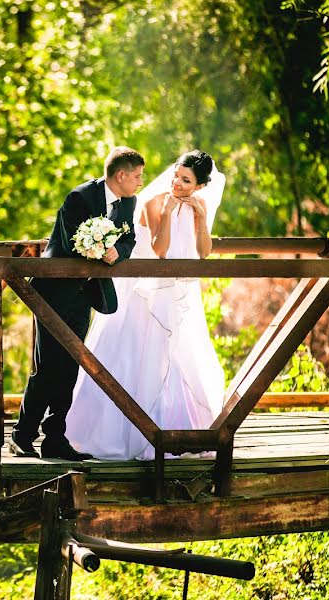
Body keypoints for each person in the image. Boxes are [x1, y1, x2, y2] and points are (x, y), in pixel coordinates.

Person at [65, 150, 226, 460]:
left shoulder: (200, 205)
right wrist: (166, 213)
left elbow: (204, 252)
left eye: (186, 180)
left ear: (200, 186)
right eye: (177, 175)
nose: (177, 183)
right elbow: (161, 250)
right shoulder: (153, 202)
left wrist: (202, 218)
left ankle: (174, 428)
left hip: (181, 291)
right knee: (142, 356)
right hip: (149, 290)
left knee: (178, 357)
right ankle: (130, 431)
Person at [9, 147, 145, 460]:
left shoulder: (129, 201)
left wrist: (116, 252)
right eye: (136, 176)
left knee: (70, 366)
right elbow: (74, 243)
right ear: (121, 175)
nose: (139, 183)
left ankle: (55, 439)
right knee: (47, 368)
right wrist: (101, 249)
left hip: (85, 294)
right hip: (54, 291)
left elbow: (128, 239)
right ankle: (22, 435)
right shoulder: (80, 198)